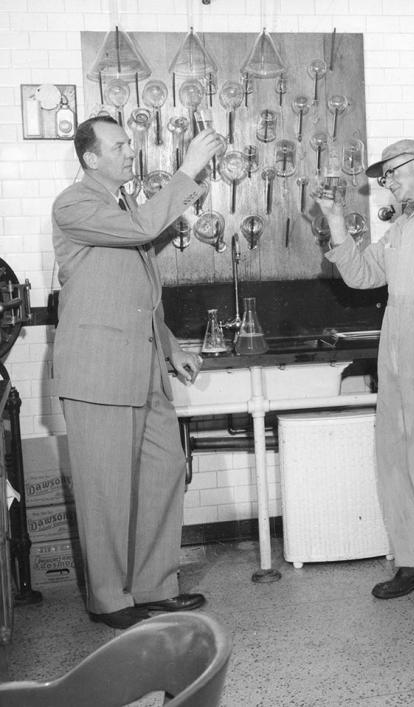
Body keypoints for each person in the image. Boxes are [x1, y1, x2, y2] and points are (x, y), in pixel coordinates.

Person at [52, 115, 222, 629]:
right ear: (91, 158)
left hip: (144, 365)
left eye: (130, 142)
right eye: (120, 145)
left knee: (163, 470)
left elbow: (139, 294)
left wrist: (172, 349)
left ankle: (152, 587)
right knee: (105, 487)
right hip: (99, 370)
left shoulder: (125, 206)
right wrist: (188, 169)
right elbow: (145, 229)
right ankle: (109, 599)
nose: (131, 150)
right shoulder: (75, 204)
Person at [318, 139, 414, 599]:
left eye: (393, 174)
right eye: (385, 179)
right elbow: (363, 275)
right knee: (396, 455)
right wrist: (335, 221)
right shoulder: (404, 221)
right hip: (398, 346)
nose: (388, 184)